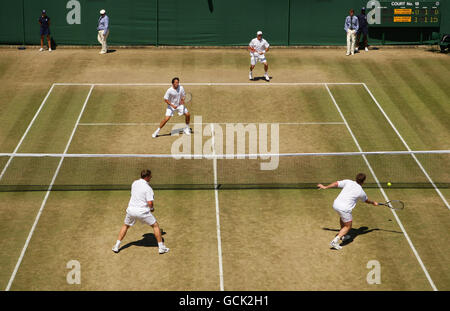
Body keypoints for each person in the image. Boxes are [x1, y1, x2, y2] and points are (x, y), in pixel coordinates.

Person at [112, 169, 169, 254]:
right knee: (155, 226)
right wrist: (152, 209)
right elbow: (150, 202)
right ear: (147, 177)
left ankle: (116, 246)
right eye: (150, 176)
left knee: (125, 226)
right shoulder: (148, 188)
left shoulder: (134, 183)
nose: (151, 177)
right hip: (142, 212)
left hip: (131, 211)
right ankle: (161, 248)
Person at [317, 173, 378, 250]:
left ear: (356, 178)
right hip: (344, 208)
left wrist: (325, 187)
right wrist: (373, 203)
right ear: (363, 182)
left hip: (336, 204)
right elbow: (366, 200)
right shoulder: (361, 191)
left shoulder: (348, 182)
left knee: (343, 218)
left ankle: (343, 236)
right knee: (348, 226)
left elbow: (336, 183)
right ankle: (335, 241)